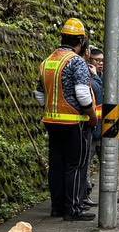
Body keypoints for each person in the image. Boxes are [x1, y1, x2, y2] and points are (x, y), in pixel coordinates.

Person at [37, 18, 98, 221]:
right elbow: (82, 94)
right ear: (81, 41)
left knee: (57, 165)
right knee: (75, 165)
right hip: (74, 123)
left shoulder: (48, 61)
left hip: (52, 122)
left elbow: (39, 95)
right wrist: (91, 117)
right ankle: (73, 209)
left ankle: (57, 208)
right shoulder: (76, 61)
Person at [78, 48, 104, 209]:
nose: (100, 63)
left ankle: (109, 194)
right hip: (93, 129)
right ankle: (85, 194)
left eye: (102, 61)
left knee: (107, 162)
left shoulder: (103, 77)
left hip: (104, 129)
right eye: (96, 60)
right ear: (90, 61)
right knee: (86, 164)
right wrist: (95, 76)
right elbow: (98, 91)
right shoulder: (90, 78)